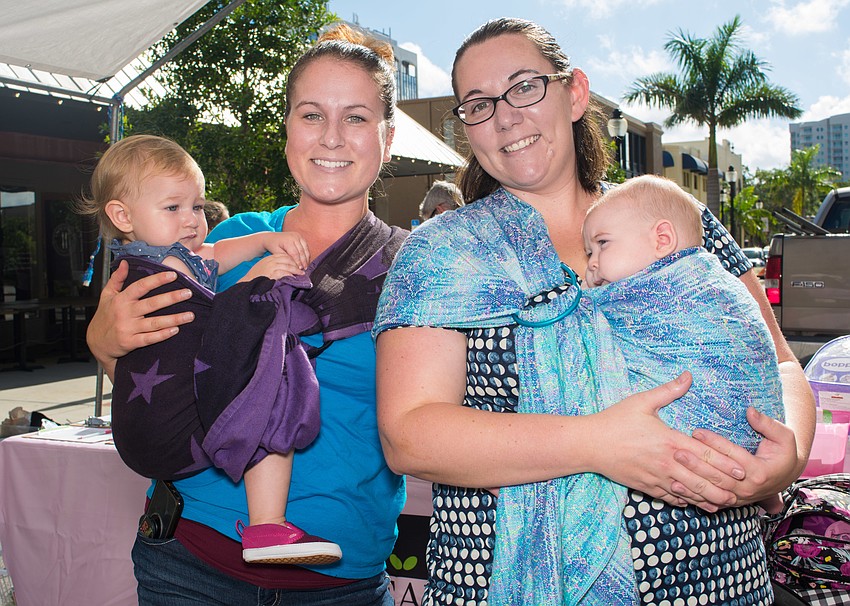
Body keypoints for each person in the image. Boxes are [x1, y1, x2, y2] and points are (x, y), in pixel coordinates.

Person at [373, 18, 815, 606]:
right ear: (466, 130)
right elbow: (410, 434)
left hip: (719, 576)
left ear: (575, 92)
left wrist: (789, 460)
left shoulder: (672, 216)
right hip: (509, 582)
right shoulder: (443, 252)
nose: (506, 116)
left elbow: (783, 364)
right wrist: (598, 443)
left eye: (525, 86)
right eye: (478, 105)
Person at [86, 24, 407, 605]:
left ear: (386, 138)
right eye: (311, 115)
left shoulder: (416, 270)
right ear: (286, 130)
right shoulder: (226, 243)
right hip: (188, 560)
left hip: (339, 580)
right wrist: (105, 342)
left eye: (356, 118)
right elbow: (156, 385)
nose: (331, 137)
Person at [78, 133, 342, 567]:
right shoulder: (158, 271)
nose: (191, 220)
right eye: (173, 207)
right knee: (268, 397)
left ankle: (267, 525)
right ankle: (266, 523)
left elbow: (215, 251)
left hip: (154, 425)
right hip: (169, 430)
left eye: (197, 206)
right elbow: (218, 326)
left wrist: (262, 240)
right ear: (123, 215)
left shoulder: (179, 255)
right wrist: (256, 279)